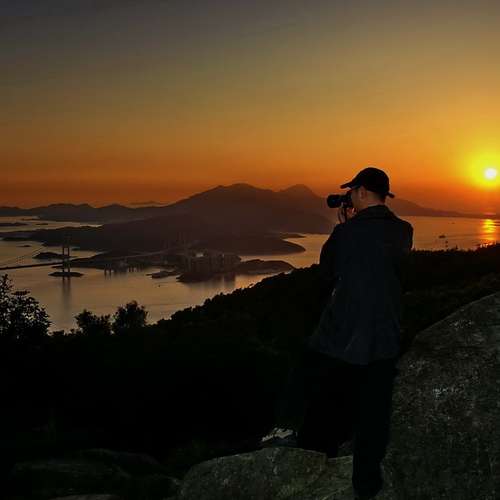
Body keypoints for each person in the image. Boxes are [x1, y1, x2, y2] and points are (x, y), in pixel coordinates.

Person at [261, 167, 413, 500]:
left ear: (361, 192)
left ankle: (285, 430)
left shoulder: (347, 232)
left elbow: (328, 270)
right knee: (374, 411)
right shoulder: (404, 230)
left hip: (343, 330)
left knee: (306, 372)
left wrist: (342, 226)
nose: (350, 198)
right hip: (386, 332)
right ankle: (366, 486)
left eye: (352, 192)